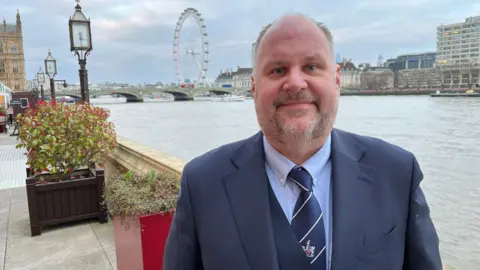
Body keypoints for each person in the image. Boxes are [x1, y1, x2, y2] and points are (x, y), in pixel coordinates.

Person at [164, 13, 442, 270]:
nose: (295, 83)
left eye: (311, 66)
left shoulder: (396, 172)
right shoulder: (202, 184)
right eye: (277, 70)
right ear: (253, 88)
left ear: (336, 81)